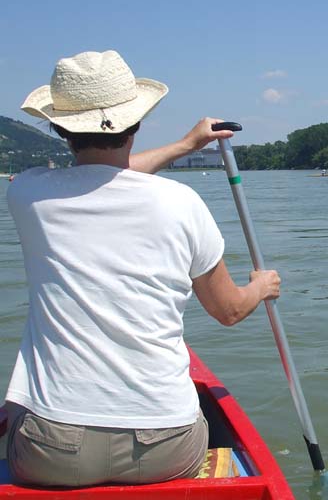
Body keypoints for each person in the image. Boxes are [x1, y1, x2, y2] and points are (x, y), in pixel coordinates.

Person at [4, 50, 281, 487]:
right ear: (136, 122)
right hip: (165, 447)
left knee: (16, 413)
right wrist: (261, 287)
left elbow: (98, 176)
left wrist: (184, 147)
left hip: (52, 452)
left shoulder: (28, 194)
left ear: (60, 128)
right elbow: (228, 311)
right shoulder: (182, 203)